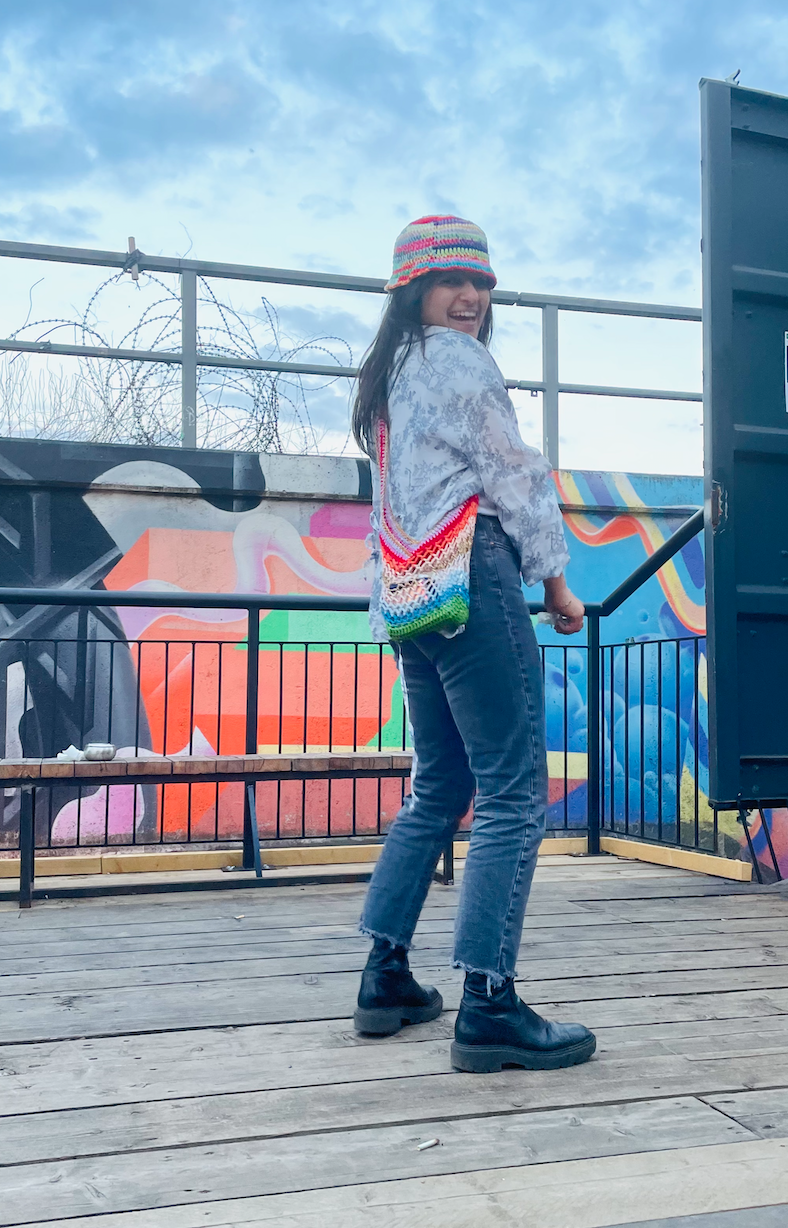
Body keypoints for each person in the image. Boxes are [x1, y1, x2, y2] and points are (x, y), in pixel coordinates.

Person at [351, 215, 595, 1074]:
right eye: (451, 281)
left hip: (412, 596)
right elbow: (514, 475)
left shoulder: (389, 375)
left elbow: (390, 507)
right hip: (473, 578)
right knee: (514, 790)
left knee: (440, 787)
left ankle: (384, 976)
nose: (470, 298)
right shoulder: (461, 361)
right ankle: (489, 1003)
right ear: (412, 289)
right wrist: (556, 584)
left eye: (481, 284)